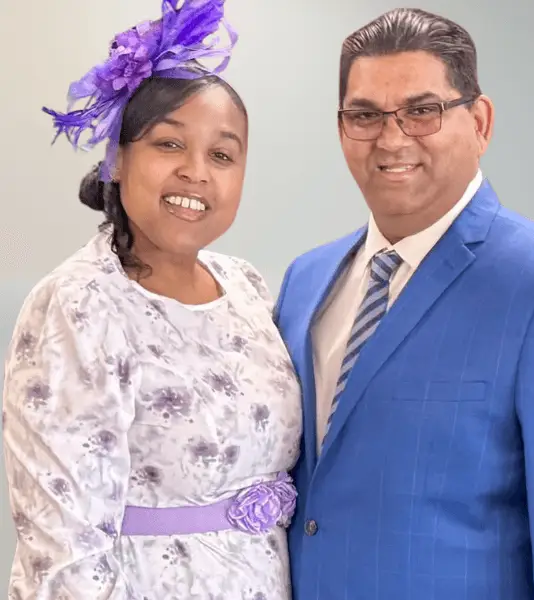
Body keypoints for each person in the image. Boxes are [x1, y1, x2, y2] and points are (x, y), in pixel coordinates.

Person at [274, 7, 534, 600]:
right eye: (365, 115)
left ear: (480, 121)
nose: (391, 138)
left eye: (422, 110)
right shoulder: (305, 281)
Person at [2, 1, 301, 598]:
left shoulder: (245, 286)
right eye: (169, 144)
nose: (197, 172)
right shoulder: (79, 304)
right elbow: (63, 550)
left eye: (222, 154)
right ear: (117, 159)